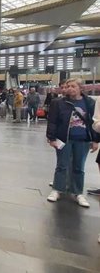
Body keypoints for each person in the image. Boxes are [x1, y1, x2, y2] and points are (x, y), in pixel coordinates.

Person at [46, 78, 99, 207]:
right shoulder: (58, 103)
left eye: (73, 86)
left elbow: (95, 122)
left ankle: (77, 192)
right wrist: (51, 138)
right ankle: (57, 189)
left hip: (83, 140)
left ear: (81, 88)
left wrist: (96, 140)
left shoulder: (90, 103)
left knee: (79, 167)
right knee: (62, 165)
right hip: (64, 139)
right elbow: (53, 121)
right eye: (68, 86)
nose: (69, 88)